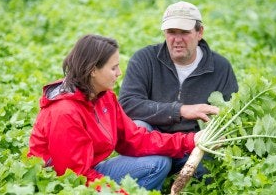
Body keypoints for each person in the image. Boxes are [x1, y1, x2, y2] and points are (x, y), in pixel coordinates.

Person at [27, 34, 206, 191]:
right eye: (113, 68)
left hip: (91, 169)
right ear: (93, 71)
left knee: (159, 161)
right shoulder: (64, 112)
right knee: (156, 164)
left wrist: (190, 140)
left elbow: (135, 138)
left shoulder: (104, 97)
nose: (119, 73)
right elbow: (74, 178)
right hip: (66, 182)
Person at [118, 1, 238, 178]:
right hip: (153, 141)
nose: (177, 39)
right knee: (139, 126)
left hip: (195, 147)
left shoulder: (220, 67)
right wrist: (180, 110)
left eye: (184, 32)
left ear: (200, 32)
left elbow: (230, 116)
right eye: (171, 32)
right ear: (164, 33)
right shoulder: (145, 59)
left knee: (211, 166)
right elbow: (127, 104)